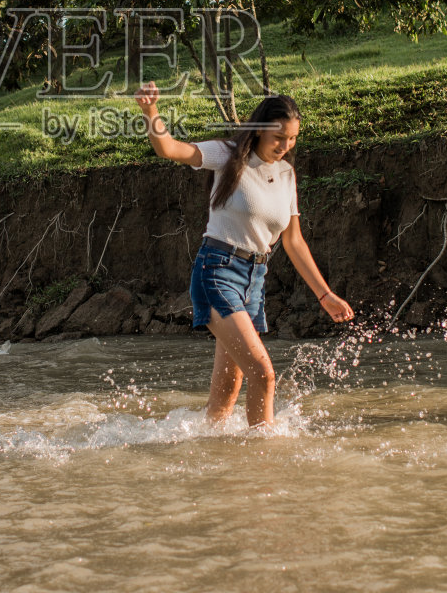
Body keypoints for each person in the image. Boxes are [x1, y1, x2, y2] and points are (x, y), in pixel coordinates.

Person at [135, 80, 353, 427]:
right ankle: (262, 461)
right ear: (259, 131)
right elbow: (170, 149)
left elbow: (294, 241)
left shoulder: (286, 174)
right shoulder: (228, 155)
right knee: (263, 374)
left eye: (293, 138)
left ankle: (210, 456)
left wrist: (324, 294)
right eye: (278, 137)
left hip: (254, 280)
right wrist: (151, 112)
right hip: (217, 270)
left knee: (224, 401)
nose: (286, 145)